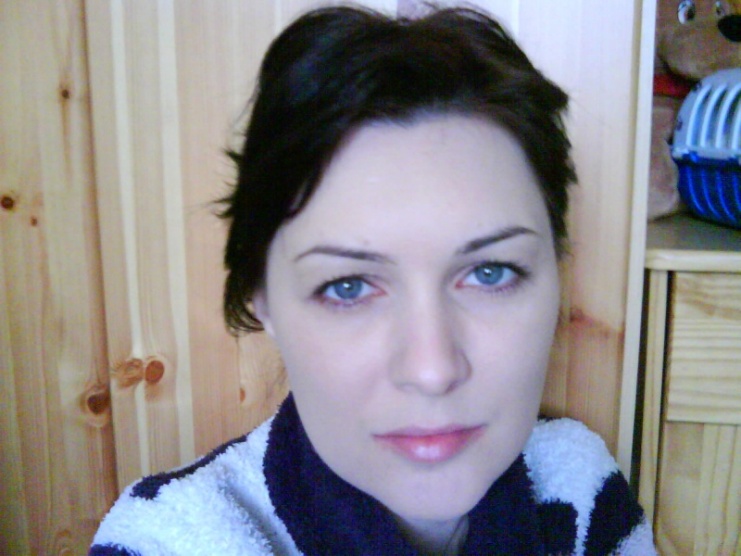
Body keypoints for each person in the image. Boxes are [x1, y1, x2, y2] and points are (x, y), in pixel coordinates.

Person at [90, 5, 656, 555]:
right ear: (261, 297)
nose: (432, 371)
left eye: (490, 273)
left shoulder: (580, 490)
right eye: (348, 287)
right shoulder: (163, 541)